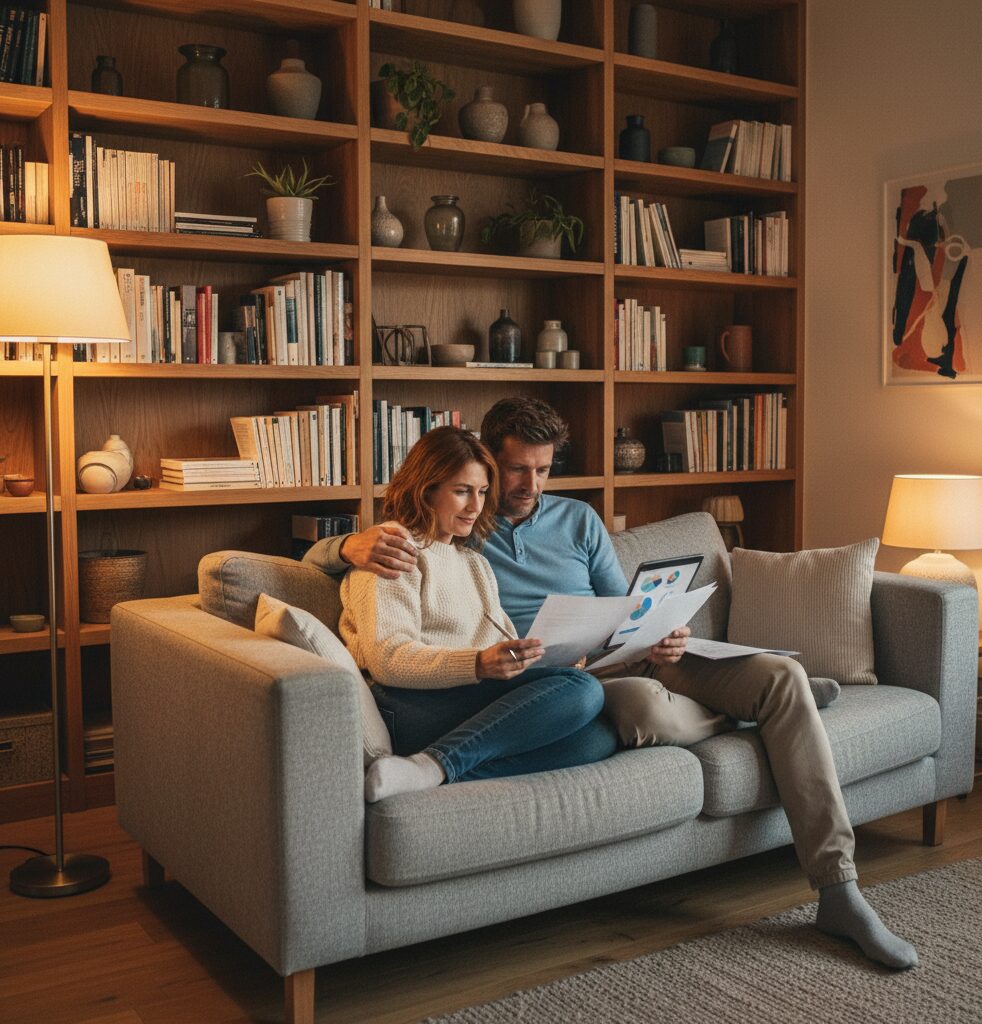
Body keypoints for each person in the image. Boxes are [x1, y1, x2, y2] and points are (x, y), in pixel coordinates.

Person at [305, 398, 918, 971]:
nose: (529, 487)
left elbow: (622, 606)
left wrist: (658, 631)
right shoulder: (457, 535)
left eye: (542, 471)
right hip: (550, 680)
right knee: (629, 714)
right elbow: (364, 582)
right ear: (486, 460)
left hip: (622, 655)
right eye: (514, 471)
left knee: (778, 676)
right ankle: (768, 713)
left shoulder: (572, 521)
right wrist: (346, 545)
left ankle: (838, 886)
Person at [338, 424, 617, 804]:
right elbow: (387, 659)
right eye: (462, 491)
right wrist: (479, 664)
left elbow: (498, 644)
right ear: (426, 490)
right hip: (407, 704)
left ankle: (435, 773)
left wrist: (539, 657)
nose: (476, 506)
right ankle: (433, 764)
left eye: (483, 492)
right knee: (582, 690)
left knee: (596, 739)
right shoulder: (394, 547)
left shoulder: (473, 563)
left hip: (465, 697)